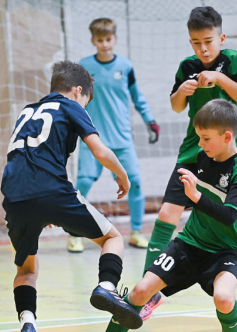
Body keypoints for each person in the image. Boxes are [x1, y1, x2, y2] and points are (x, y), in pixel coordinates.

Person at [78, 99, 237, 332]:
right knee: (140, 292)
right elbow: (175, 200)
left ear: (227, 137)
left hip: (226, 251)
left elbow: (230, 216)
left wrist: (195, 196)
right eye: (198, 138)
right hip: (189, 244)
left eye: (205, 138)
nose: (200, 144)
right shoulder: (200, 158)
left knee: (224, 298)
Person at [1, 60, 143, 332]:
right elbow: (100, 150)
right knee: (113, 238)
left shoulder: (26, 111)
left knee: (26, 270)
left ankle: (28, 325)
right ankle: (106, 286)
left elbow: (26, 158)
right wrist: (122, 176)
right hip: (51, 189)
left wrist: (42, 207)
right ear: (78, 91)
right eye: (86, 101)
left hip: (14, 196)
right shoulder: (70, 105)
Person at [139, 6, 237, 332]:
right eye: (196, 43)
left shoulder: (232, 61)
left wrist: (220, 78)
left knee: (233, 224)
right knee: (167, 214)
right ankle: (150, 289)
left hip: (224, 158)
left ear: (221, 37)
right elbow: (177, 106)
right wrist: (182, 91)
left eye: (208, 41)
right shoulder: (187, 66)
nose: (203, 49)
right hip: (193, 152)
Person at [67, 18, 160, 253]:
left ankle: (136, 232)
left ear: (115, 39)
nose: (105, 44)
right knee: (83, 183)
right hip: (93, 139)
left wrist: (149, 120)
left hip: (122, 140)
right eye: (100, 40)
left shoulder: (125, 66)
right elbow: (74, 100)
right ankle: (74, 234)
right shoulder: (84, 67)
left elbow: (137, 96)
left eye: (108, 39)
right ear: (93, 41)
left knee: (135, 182)